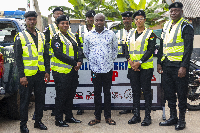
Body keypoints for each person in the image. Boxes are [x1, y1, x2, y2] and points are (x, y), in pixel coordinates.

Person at [157, 2, 194, 130]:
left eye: (176, 11)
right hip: (167, 65)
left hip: (179, 66)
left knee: (181, 94)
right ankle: (173, 117)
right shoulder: (166, 26)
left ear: (181, 12)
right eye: (171, 11)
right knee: (169, 93)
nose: (173, 13)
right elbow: (162, 46)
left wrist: (184, 66)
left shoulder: (186, 26)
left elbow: (188, 48)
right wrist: (159, 62)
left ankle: (182, 120)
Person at [14, 11, 50, 133]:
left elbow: (45, 55)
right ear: (25, 20)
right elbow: (18, 58)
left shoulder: (41, 36)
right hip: (27, 75)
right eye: (29, 19)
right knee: (25, 101)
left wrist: (46, 71)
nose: (32, 21)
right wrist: (21, 76)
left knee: (40, 99)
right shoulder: (20, 36)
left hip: (40, 74)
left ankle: (38, 121)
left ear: (36, 20)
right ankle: (23, 125)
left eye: (34, 19)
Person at [84, 13, 118, 126]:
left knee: (107, 93)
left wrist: (108, 61)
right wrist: (94, 61)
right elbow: (86, 51)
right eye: (97, 20)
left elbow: (115, 50)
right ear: (93, 22)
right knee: (97, 93)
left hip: (108, 69)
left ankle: (108, 117)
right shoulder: (88, 35)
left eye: (101, 20)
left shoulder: (111, 34)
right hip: (95, 70)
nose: (99, 22)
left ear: (105, 21)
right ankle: (97, 117)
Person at [51, 15, 83, 127]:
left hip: (72, 72)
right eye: (62, 23)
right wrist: (75, 63)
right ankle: (58, 119)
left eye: (67, 23)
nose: (65, 25)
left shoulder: (72, 36)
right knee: (61, 96)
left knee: (70, 95)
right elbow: (59, 54)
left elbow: (79, 49)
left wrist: (79, 61)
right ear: (58, 25)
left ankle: (69, 117)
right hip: (61, 73)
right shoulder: (56, 38)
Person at [126, 10, 156, 126]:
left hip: (145, 67)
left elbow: (151, 50)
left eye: (141, 19)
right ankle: (136, 115)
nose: (138, 21)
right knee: (135, 92)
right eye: (136, 19)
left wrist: (139, 62)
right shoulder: (130, 33)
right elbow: (126, 48)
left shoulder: (150, 34)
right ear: (134, 21)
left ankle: (147, 117)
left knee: (147, 92)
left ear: (145, 20)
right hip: (132, 67)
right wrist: (130, 61)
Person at [75, 10, 96, 115]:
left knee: (95, 83)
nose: (90, 19)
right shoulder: (81, 29)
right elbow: (77, 44)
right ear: (86, 18)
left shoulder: (99, 28)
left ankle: (96, 105)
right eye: (88, 17)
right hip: (83, 59)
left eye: (92, 17)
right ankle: (81, 105)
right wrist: (79, 57)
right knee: (82, 82)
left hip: (95, 60)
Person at [117, 11, 134, 114]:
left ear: (131, 19)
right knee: (124, 84)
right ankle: (127, 106)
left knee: (134, 85)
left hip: (133, 62)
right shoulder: (118, 33)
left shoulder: (136, 31)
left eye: (128, 19)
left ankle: (135, 106)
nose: (126, 21)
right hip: (121, 63)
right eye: (124, 19)